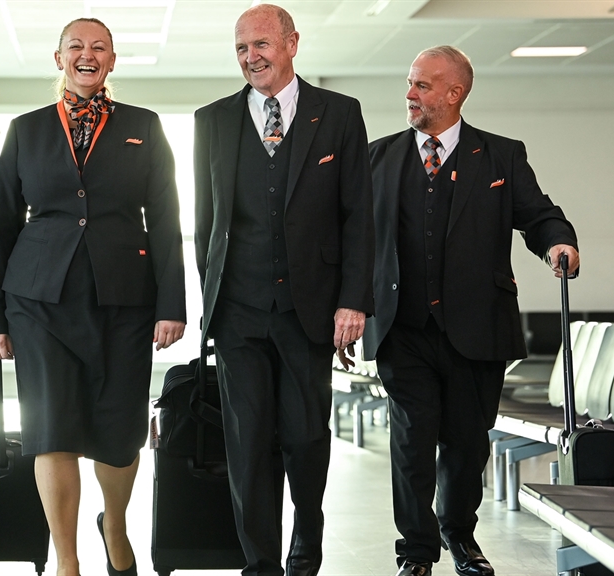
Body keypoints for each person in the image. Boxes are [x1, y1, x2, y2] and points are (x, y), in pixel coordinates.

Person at [362, 46, 580, 576]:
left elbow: (539, 215)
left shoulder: (501, 156)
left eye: (422, 85)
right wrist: (346, 309)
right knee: (412, 442)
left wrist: (558, 243)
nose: (410, 94)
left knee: (465, 445)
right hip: (401, 327)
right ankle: (416, 552)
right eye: (410, 83)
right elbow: (351, 241)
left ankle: (458, 534)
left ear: (454, 93)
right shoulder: (377, 157)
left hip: (478, 327)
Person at [0, 17, 186, 576]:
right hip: (38, 302)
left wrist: (171, 305)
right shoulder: (26, 129)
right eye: (76, 46)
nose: (87, 55)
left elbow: (166, 220)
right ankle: (67, 561)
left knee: (119, 433)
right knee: (52, 430)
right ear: (59, 58)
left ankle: (114, 524)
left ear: (112, 61)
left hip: (124, 300)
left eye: (99, 48)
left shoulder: (144, 125)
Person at [194, 4, 374, 576]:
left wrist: (353, 300)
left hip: (309, 309)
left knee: (305, 438)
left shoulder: (339, 114)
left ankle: (306, 544)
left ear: (292, 43)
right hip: (238, 311)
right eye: (241, 47)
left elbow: (358, 217)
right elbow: (207, 223)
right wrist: (213, 298)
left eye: (262, 44)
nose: (251, 57)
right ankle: (260, 564)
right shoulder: (212, 120)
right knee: (246, 444)